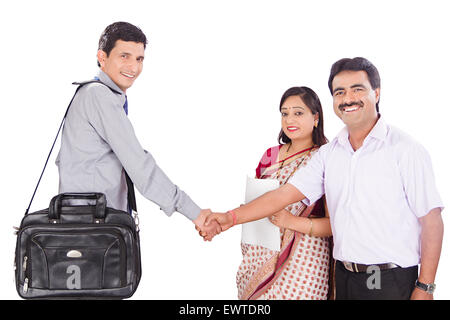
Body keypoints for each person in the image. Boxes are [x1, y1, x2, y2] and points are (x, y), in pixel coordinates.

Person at [205, 57, 444, 300]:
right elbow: (284, 194)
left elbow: (431, 220)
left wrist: (425, 287)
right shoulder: (330, 154)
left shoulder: (404, 149)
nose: (348, 98)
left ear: (377, 93)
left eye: (357, 89)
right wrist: (230, 218)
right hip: (344, 276)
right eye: (339, 92)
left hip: (387, 278)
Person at [56, 21, 219, 239]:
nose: (133, 67)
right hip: (91, 228)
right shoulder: (98, 96)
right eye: (124, 56)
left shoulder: (98, 95)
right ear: (102, 57)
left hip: (91, 224)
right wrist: (195, 214)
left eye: (139, 59)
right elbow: (139, 166)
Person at [235, 86, 333, 300]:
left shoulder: (325, 159)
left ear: (316, 117)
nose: (290, 120)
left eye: (298, 113)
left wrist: (291, 222)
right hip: (261, 252)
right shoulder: (270, 156)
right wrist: (248, 211)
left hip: (305, 263)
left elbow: (335, 225)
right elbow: (259, 200)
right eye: (284, 113)